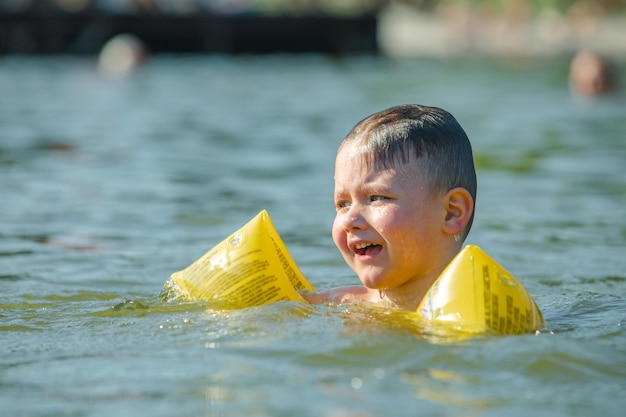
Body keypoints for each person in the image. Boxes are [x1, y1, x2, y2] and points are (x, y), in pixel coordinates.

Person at [301, 104, 476, 311]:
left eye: (376, 198)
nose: (349, 221)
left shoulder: (481, 311)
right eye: (343, 204)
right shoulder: (329, 304)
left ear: (452, 213)